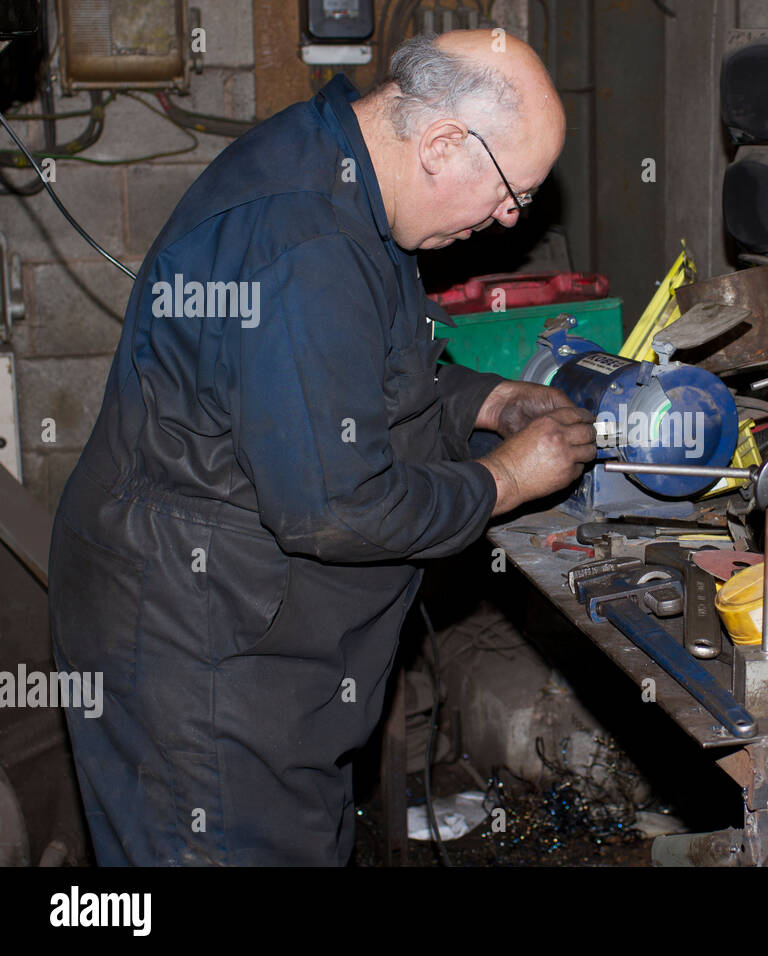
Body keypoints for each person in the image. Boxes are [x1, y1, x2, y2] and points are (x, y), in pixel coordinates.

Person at [47, 29, 595, 865]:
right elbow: (337, 504)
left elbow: (351, 388)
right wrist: (503, 482)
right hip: (198, 658)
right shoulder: (305, 246)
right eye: (511, 193)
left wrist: (489, 397)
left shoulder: (343, 170)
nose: (510, 220)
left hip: (239, 638)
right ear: (444, 143)